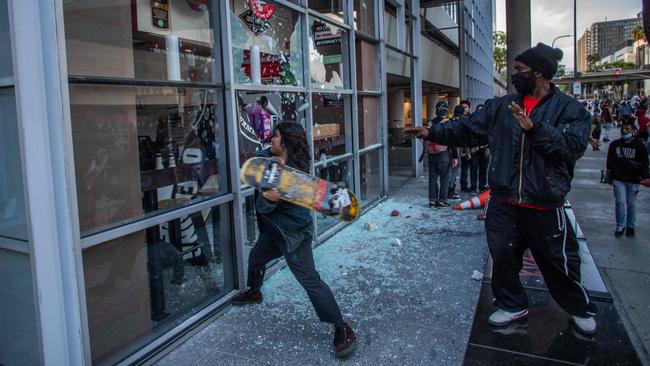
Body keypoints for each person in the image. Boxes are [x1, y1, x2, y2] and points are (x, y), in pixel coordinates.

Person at [405, 42, 597, 335]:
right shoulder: (502, 106)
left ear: (541, 72)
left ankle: (578, 307)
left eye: (519, 69)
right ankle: (512, 305)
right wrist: (431, 131)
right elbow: (467, 129)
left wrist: (534, 129)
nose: (513, 74)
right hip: (504, 201)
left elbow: (570, 148)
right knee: (503, 257)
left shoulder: (570, 110)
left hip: (544, 203)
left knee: (556, 263)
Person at [231, 122, 357, 358]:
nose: (271, 140)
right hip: (273, 234)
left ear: (286, 141)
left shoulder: (295, 182)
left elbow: (276, 210)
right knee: (256, 258)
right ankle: (255, 291)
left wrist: (271, 198)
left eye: (276, 137)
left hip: (293, 238)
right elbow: (256, 161)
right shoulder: (271, 161)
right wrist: (272, 161)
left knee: (310, 281)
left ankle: (341, 326)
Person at [606, 120, 649, 237]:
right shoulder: (615, 145)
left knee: (632, 203)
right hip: (618, 178)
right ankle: (620, 225)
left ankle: (630, 226)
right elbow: (609, 162)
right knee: (620, 202)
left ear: (633, 131)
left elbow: (645, 162)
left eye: (627, 129)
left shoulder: (640, 145)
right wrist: (609, 175)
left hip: (634, 179)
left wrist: (645, 177)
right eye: (623, 129)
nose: (624, 131)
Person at [426, 101, 458, 208]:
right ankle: (443, 200)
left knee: (432, 177)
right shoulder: (447, 123)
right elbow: (452, 141)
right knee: (445, 177)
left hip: (431, 154)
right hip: (444, 153)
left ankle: (432, 200)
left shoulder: (430, 123)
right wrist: (455, 157)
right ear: (446, 110)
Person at [447, 105, 466, 199]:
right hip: (455, 149)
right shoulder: (460, 122)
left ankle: (448, 189)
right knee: (454, 171)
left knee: (449, 171)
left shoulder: (450, 121)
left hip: (447, 150)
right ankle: (450, 191)